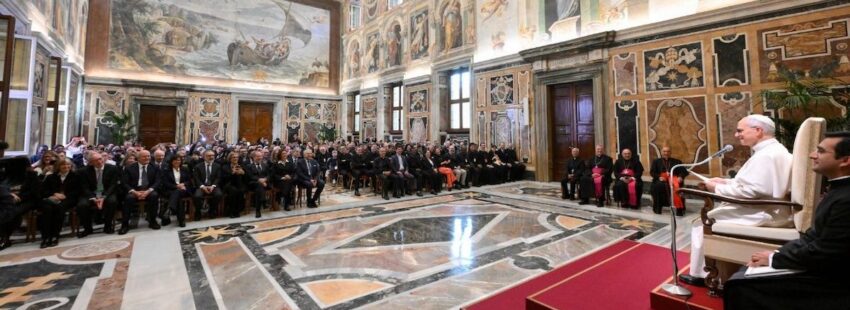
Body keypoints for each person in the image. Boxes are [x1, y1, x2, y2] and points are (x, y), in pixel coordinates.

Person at [724, 132, 850, 308]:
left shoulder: (845, 199)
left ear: (845, 161)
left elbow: (827, 251)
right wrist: (777, 253)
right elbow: (813, 235)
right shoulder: (838, 188)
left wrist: (774, 260)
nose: (812, 155)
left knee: (739, 285)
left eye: (820, 151)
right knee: (744, 274)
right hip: (826, 262)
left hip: (836, 278)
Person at [680, 115, 794, 286]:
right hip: (769, 207)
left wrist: (715, 188)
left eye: (740, 130)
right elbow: (757, 184)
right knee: (708, 216)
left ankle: (703, 276)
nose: (736, 134)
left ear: (758, 130)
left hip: (764, 212)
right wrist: (725, 181)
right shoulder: (773, 150)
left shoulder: (766, 156)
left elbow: (752, 191)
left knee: (702, 222)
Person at [77, 152, 121, 236]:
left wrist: (104, 197)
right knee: (82, 205)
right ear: (90, 163)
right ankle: (88, 228)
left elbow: (113, 185)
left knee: (112, 201)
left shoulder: (113, 168)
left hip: (107, 192)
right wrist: (93, 197)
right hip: (91, 193)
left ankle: (108, 226)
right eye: (96, 160)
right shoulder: (83, 171)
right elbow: (84, 187)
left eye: (100, 159)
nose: (100, 161)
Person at [0, 157, 40, 250]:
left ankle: (5, 238)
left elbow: (34, 192)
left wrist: (19, 198)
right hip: (9, 200)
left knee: (12, 212)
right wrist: (10, 195)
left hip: (28, 200)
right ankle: (3, 236)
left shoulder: (32, 175)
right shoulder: (6, 175)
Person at [40, 158, 82, 248]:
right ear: (58, 166)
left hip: (69, 199)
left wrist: (64, 196)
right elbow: (43, 191)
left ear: (71, 166)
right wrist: (53, 194)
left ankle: (55, 235)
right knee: (46, 208)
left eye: (68, 165)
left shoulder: (76, 176)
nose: (66, 166)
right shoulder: (51, 177)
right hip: (52, 198)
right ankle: (46, 237)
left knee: (59, 208)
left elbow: (78, 191)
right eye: (63, 165)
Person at [121, 150, 161, 234]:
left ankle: (153, 221)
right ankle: (125, 225)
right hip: (134, 190)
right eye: (144, 156)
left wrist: (148, 191)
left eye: (148, 156)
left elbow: (158, 181)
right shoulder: (129, 168)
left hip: (149, 190)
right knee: (128, 199)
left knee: (154, 196)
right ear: (138, 158)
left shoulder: (155, 167)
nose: (147, 158)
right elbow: (125, 183)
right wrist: (135, 192)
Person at [650, 146, 688, 215]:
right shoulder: (656, 161)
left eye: (668, 151)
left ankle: (679, 210)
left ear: (670, 153)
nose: (666, 153)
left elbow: (684, 172)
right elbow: (652, 172)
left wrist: (680, 177)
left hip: (674, 180)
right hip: (661, 180)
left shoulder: (677, 161)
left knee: (677, 186)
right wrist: (659, 177)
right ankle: (658, 208)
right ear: (661, 152)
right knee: (659, 185)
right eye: (664, 151)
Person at [160, 156, 193, 226]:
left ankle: (169, 210)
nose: (177, 161)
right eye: (175, 160)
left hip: (184, 190)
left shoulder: (185, 169)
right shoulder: (166, 170)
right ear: (171, 161)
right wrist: (176, 186)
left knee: (177, 192)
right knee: (179, 199)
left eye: (178, 160)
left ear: (181, 161)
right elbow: (165, 182)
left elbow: (189, 181)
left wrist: (183, 184)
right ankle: (181, 220)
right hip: (171, 190)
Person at [192, 150, 223, 220]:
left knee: (219, 194)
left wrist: (213, 186)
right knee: (197, 196)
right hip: (201, 186)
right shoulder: (198, 166)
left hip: (213, 186)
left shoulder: (217, 166)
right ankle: (198, 212)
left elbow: (218, 178)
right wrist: (203, 187)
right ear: (204, 157)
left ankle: (212, 210)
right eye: (209, 156)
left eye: (213, 156)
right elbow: (196, 179)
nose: (211, 157)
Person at [247, 150, 270, 218]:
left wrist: (265, 180)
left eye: (260, 156)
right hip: (253, 184)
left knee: (259, 190)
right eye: (257, 156)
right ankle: (263, 203)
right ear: (254, 157)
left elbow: (269, 175)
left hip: (265, 184)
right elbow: (250, 176)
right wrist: (259, 180)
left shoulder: (265, 165)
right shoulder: (249, 166)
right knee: (259, 186)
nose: (259, 157)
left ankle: (258, 209)